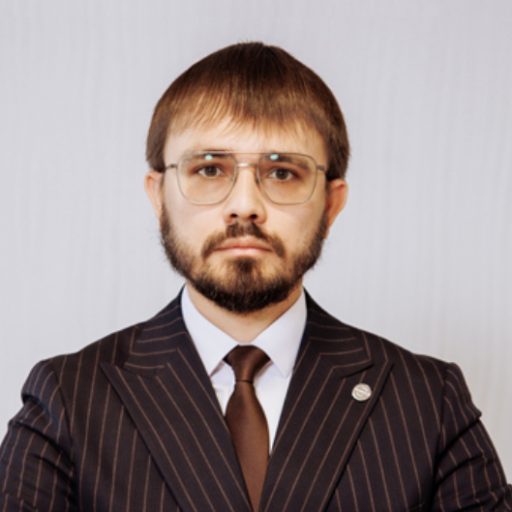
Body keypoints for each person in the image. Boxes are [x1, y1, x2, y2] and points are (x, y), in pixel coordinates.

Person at [0, 42, 510, 512]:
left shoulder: (428, 402)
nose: (245, 205)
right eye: (209, 169)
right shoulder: (67, 400)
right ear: (158, 197)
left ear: (331, 204)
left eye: (282, 172)